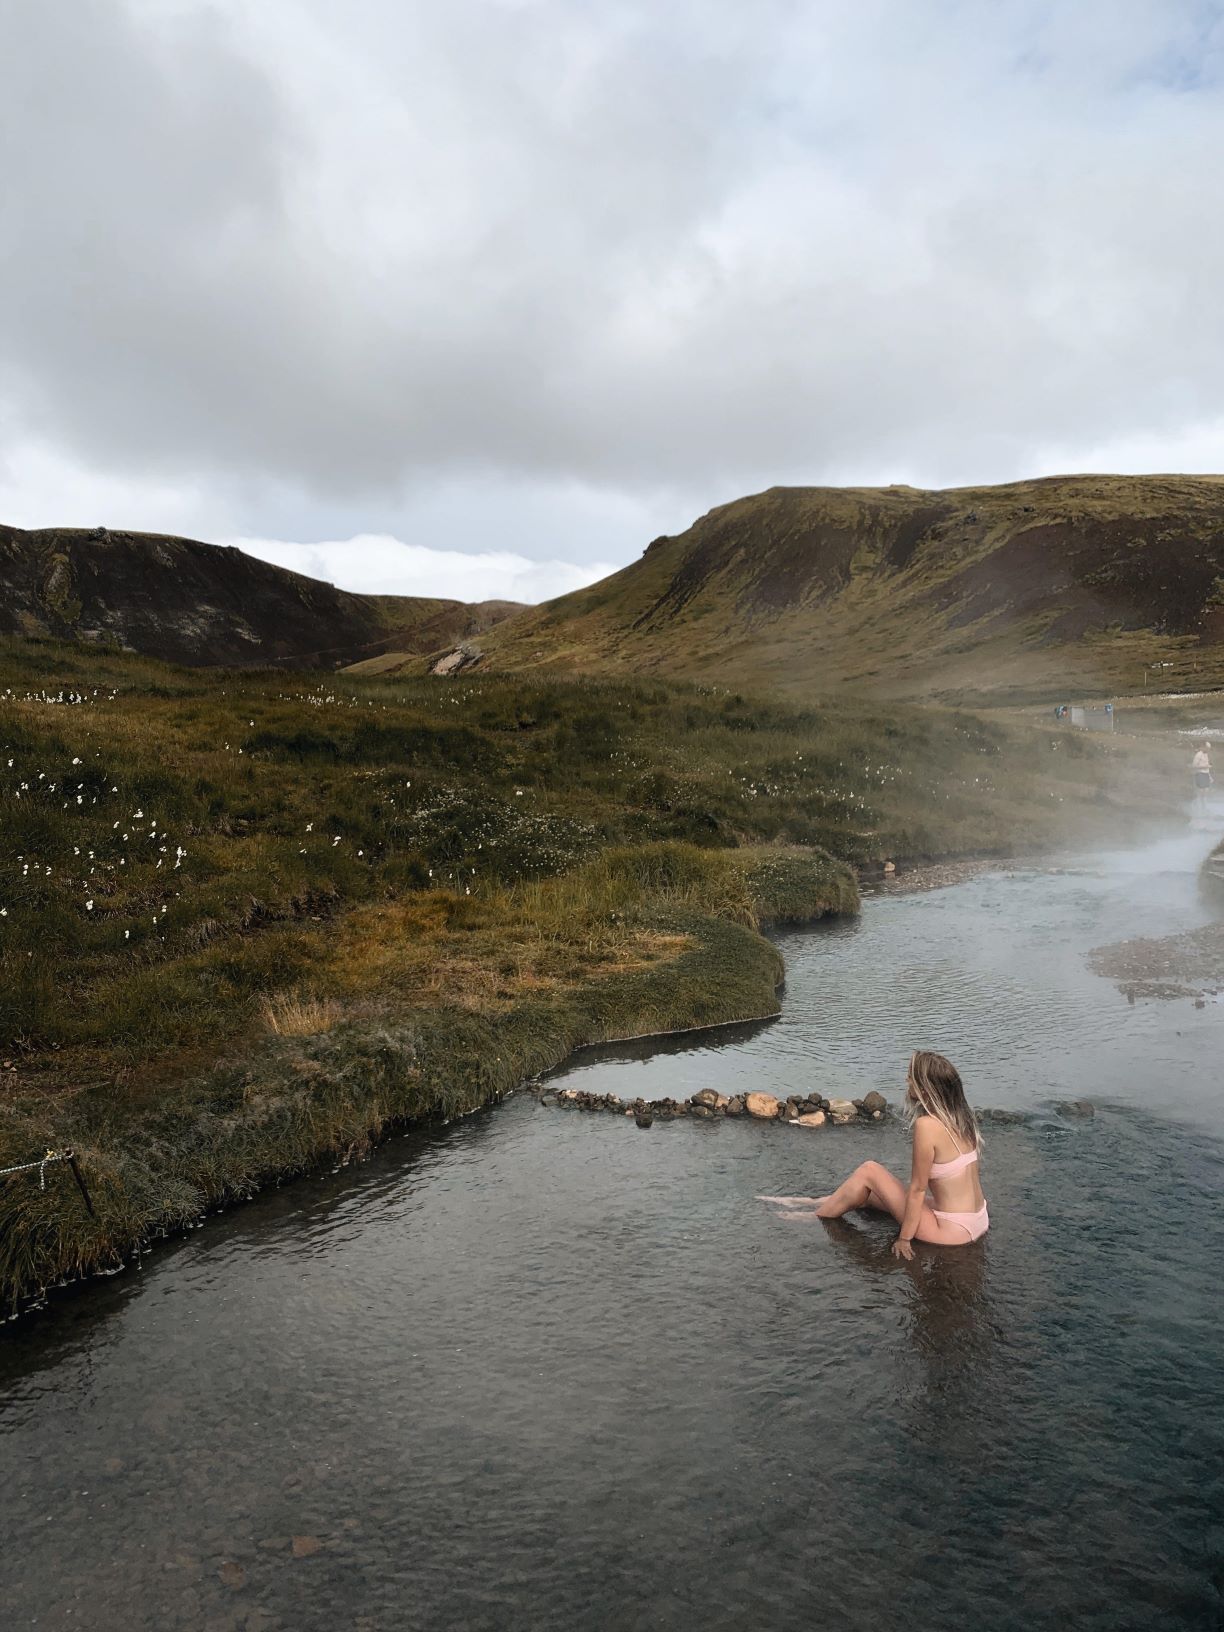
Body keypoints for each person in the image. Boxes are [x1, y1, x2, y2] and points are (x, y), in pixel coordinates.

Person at [760, 1051, 988, 1255]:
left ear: (925, 1090)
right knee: (871, 1195)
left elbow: (918, 1190)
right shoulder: (962, 1119)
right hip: (976, 1220)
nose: (907, 1080)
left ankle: (817, 1215)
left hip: (950, 1233)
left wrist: (904, 1239)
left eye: (912, 1077)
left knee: (869, 1171)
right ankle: (810, 1201)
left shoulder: (927, 1125)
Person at [1192, 741, 1213, 814]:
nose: (1208, 750)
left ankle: (1204, 808)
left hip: (1206, 774)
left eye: (1209, 748)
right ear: (1203, 747)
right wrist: (1205, 766)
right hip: (1200, 774)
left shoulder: (1206, 754)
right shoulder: (1198, 754)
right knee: (1200, 792)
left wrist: (1210, 776)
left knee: (1206, 792)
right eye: (1207, 748)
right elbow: (1194, 766)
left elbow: (1207, 766)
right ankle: (1197, 808)